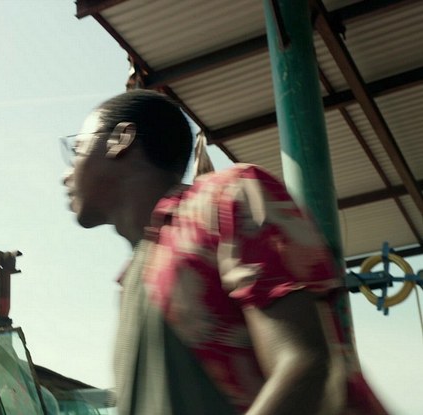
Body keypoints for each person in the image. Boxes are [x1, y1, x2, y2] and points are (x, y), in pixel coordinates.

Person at [62, 89, 386, 414]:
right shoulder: (132, 280)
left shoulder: (226, 199)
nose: (66, 174)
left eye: (77, 149)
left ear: (121, 139)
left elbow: (309, 366)